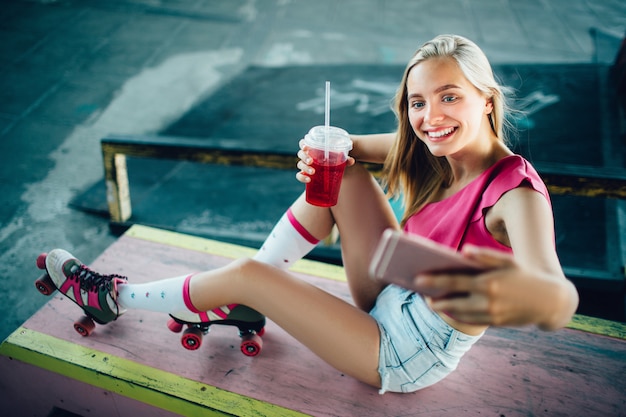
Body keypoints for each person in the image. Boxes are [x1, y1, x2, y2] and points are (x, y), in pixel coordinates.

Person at [40, 34, 579, 394]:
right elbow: (346, 148)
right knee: (341, 171)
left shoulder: (516, 195)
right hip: (396, 289)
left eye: (449, 97)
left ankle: (114, 299)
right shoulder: (436, 145)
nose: (430, 117)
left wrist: (502, 289)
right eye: (417, 102)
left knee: (253, 274)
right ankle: (240, 296)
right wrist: (323, 147)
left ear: (486, 99)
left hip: (408, 351)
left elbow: (556, 298)